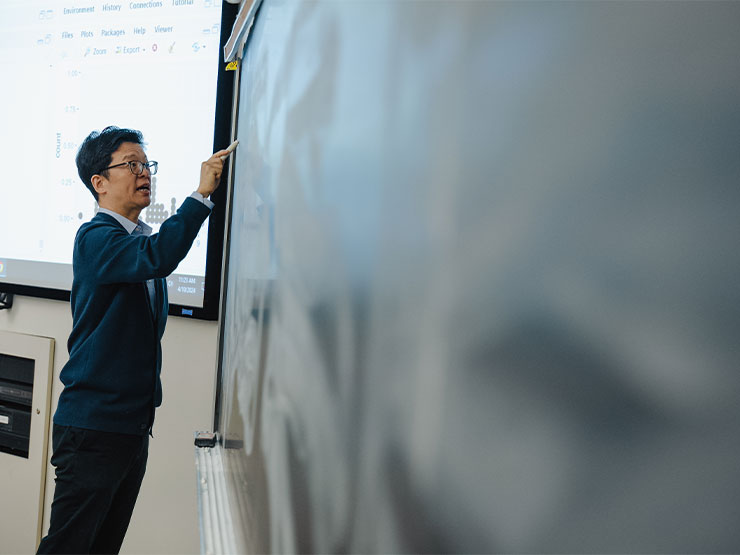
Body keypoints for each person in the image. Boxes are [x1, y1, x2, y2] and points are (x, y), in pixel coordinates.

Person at [37, 126, 231, 554]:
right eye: (132, 165)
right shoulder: (95, 239)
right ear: (99, 183)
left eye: (147, 165)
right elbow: (160, 257)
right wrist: (200, 197)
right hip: (93, 427)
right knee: (68, 547)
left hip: (129, 426)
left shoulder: (138, 238)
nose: (145, 173)